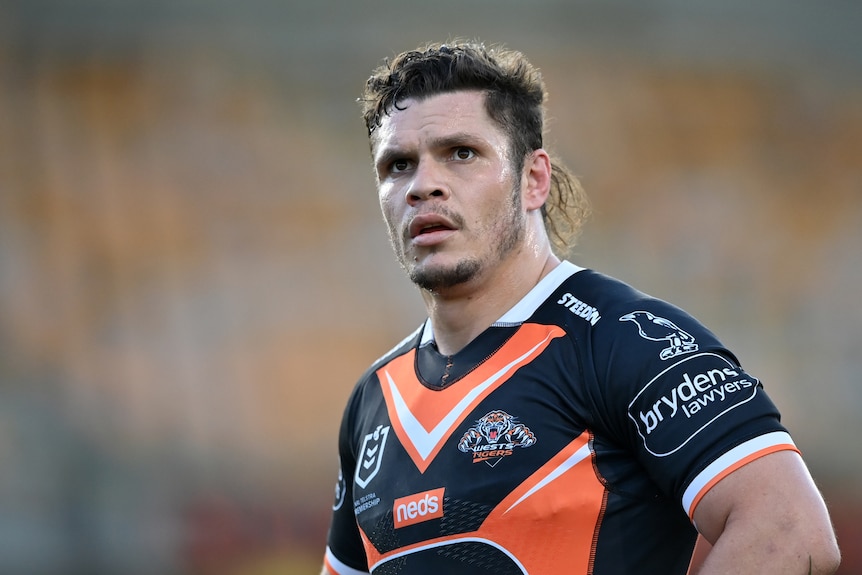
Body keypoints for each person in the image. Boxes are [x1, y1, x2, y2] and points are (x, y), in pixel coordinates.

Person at [321, 41, 841, 575]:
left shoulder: (623, 340)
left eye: (461, 153)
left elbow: (789, 530)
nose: (423, 185)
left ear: (533, 179)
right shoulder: (371, 402)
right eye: (398, 165)